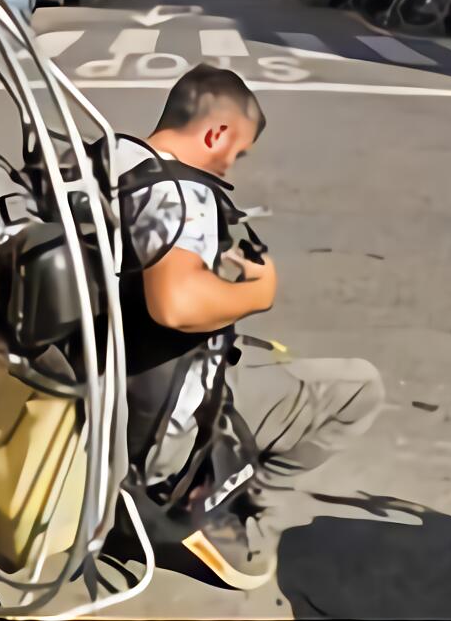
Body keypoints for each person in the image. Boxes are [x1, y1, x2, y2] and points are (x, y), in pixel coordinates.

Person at [114, 65, 384, 586]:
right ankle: (245, 517)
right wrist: (258, 293)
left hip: (96, 396)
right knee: (356, 386)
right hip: (153, 436)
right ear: (215, 133)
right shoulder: (179, 193)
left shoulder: (104, 161)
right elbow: (177, 305)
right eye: (235, 152)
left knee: (262, 362)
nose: (231, 164)